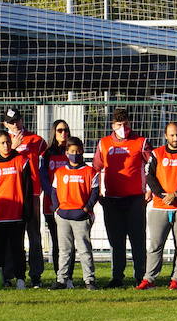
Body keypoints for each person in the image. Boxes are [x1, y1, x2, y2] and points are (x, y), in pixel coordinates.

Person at [135, 122, 177, 290]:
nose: (175, 138)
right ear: (166, 136)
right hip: (160, 206)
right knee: (155, 244)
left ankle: (176, 280)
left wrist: (176, 194)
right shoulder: (157, 154)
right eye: (172, 135)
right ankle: (149, 279)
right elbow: (149, 175)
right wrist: (162, 194)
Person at [93, 108, 151, 288]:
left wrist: (150, 189)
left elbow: (153, 166)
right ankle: (117, 277)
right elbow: (96, 169)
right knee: (115, 240)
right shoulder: (103, 143)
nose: (123, 128)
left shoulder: (141, 142)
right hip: (111, 198)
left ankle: (141, 276)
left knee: (137, 239)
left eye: (125, 124)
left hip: (135, 198)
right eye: (119, 125)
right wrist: (98, 192)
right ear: (112, 125)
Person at [3, 107, 48, 288]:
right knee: (11, 236)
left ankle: (36, 275)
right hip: (12, 194)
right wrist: (12, 148)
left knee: (34, 235)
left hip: (33, 194)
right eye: (11, 122)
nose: (15, 125)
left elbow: (46, 162)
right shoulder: (2, 141)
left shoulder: (36, 140)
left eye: (17, 120)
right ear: (5, 123)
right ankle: (9, 274)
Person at [50, 140, 100, 290]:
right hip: (63, 215)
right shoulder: (60, 172)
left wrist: (86, 209)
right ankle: (62, 279)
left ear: (82, 151)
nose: (75, 154)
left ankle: (89, 280)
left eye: (78, 151)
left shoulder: (90, 171)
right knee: (64, 250)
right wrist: (57, 209)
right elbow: (54, 192)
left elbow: (95, 192)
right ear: (66, 153)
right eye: (72, 151)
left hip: (81, 216)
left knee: (84, 249)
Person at [0, 131, 35, 290]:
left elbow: (28, 188)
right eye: (2, 142)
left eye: (8, 142)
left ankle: (21, 279)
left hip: (17, 214)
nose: (6, 145)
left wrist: (27, 210)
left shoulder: (21, 160)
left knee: (18, 249)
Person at [40, 118, 78, 281]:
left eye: (66, 130)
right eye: (60, 130)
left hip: (72, 205)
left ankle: (69, 275)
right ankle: (60, 275)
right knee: (58, 242)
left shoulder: (73, 153)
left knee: (71, 243)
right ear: (54, 133)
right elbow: (43, 179)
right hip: (53, 205)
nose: (64, 133)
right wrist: (55, 197)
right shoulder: (47, 154)